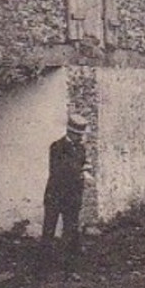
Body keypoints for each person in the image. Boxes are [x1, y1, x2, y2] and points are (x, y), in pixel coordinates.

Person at [41, 114, 92, 267]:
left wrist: (86, 170)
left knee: (70, 225)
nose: (80, 138)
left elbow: (84, 164)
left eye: (81, 135)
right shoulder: (57, 147)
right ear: (71, 133)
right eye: (78, 135)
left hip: (73, 194)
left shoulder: (81, 148)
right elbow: (61, 170)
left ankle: (66, 257)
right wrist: (81, 172)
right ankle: (45, 258)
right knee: (50, 226)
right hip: (56, 193)